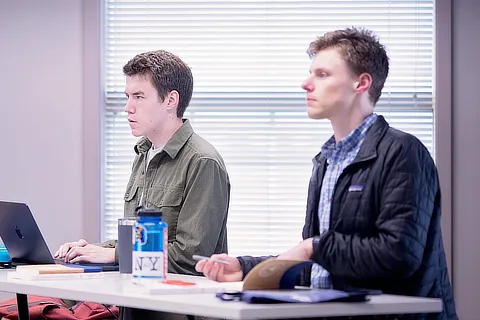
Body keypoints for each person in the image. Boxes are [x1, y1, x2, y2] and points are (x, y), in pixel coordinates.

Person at [196, 27, 457, 320]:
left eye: (322, 75)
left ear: (362, 83)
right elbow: (320, 265)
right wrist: (245, 267)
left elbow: (398, 256)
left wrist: (313, 247)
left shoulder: (402, 151)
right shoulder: (326, 161)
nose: (305, 84)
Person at [55, 50, 231, 319]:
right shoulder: (143, 154)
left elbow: (191, 258)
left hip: (178, 312)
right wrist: (93, 250)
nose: (128, 107)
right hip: (137, 307)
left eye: (139, 96)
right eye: (128, 97)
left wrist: (114, 255)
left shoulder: (203, 161)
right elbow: (143, 237)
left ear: (171, 100)